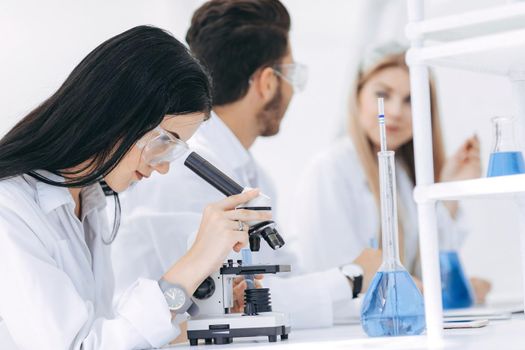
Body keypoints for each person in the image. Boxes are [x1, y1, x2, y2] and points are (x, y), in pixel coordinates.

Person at [0, 25, 268, 350]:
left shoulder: (91, 200)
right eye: (165, 142)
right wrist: (193, 263)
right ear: (118, 113)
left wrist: (208, 316)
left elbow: (108, 331)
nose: (164, 166)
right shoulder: (9, 207)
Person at [112, 0, 357, 329]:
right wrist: (351, 278)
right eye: (292, 74)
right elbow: (214, 303)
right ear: (267, 82)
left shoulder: (250, 173)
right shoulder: (183, 169)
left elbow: (277, 278)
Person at [289, 42, 492, 311]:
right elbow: (340, 284)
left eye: (411, 100)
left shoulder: (404, 175)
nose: (395, 111)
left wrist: (449, 191)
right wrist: (434, 294)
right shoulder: (330, 171)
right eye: (382, 95)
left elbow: (427, 267)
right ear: (357, 95)